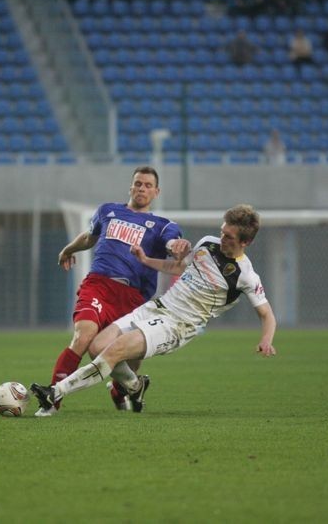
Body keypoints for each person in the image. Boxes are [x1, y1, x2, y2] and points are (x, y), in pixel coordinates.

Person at [31, 204, 277, 414]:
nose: (222, 238)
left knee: (114, 350)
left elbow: (267, 315)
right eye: (222, 232)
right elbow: (180, 268)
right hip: (157, 307)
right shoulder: (207, 244)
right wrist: (145, 260)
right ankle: (135, 387)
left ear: (246, 242)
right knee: (96, 347)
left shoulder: (246, 276)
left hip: (178, 325)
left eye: (229, 237)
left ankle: (55, 392)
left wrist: (266, 340)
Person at [36, 166, 189, 416]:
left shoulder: (163, 226)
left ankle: (124, 389)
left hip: (134, 297)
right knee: (83, 337)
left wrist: (177, 247)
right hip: (99, 284)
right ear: (130, 187)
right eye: (138, 183)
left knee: (129, 356)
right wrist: (68, 249)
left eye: (148, 185)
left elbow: (172, 245)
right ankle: (52, 398)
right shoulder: (108, 210)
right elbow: (89, 237)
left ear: (156, 192)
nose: (142, 188)